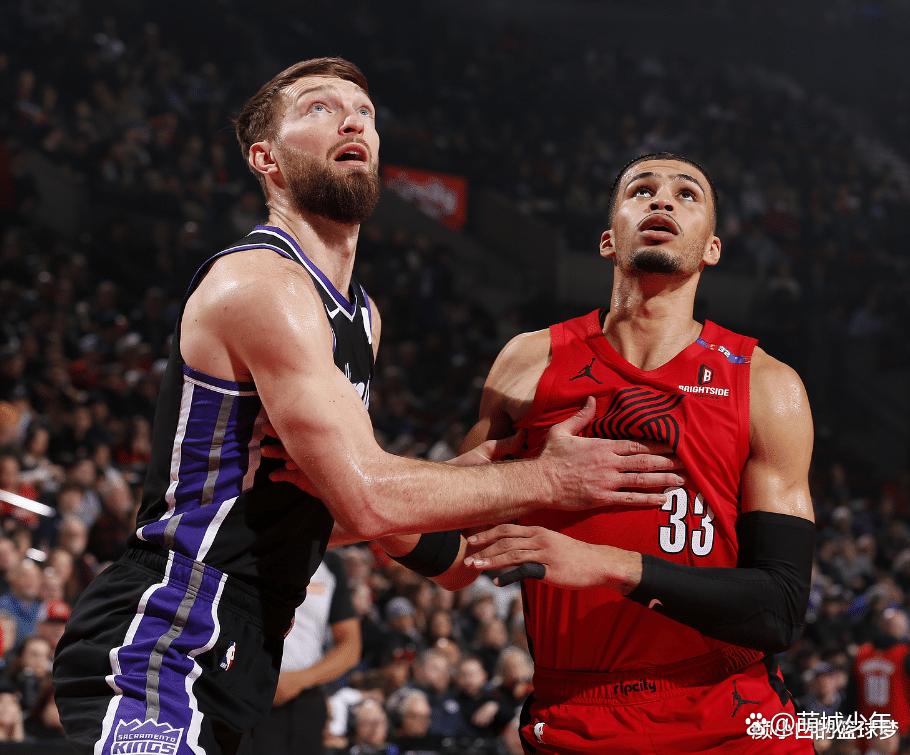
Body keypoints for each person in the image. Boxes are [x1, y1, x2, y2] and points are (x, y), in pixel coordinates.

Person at [52, 58, 680, 755]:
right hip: (169, 628)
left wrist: (464, 497)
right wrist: (549, 478)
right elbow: (371, 499)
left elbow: (325, 514)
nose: (352, 121)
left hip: (242, 646)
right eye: (319, 108)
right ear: (266, 159)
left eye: (364, 112)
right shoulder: (262, 283)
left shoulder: (362, 317)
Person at [461, 153, 816, 753]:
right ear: (608, 239)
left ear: (712, 250)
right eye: (642, 190)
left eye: (687, 194)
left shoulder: (766, 383)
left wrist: (608, 565)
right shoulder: (528, 362)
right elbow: (456, 538)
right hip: (575, 712)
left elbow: (779, 609)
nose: (663, 200)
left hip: (732, 711)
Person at [243, 551, 360, 755]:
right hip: (246, 692)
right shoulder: (245, 549)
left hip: (306, 698)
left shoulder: (329, 563)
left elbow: (350, 647)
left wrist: (300, 680)